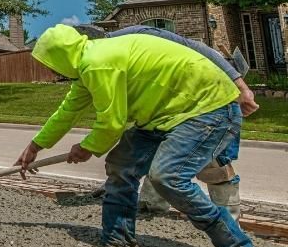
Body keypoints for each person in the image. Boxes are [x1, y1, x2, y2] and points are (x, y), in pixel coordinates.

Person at [15, 24, 261, 247]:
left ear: (59, 57)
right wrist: (35, 146)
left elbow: (112, 124)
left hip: (206, 109)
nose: (50, 70)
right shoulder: (88, 65)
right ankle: (117, 239)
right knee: (122, 165)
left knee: (168, 177)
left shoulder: (99, 62)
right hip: (162, 115)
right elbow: (66, 113)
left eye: (49, 63)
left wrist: (86, 147)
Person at [74, 24, 258, 218]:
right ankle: (150, 206)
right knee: (159, 151)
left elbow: (199, 48)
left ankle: (228, 217)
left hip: (209, 92)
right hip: (170, 102)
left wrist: (241, 86)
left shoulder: (140, 35)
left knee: (215, 162)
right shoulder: (109, 62)